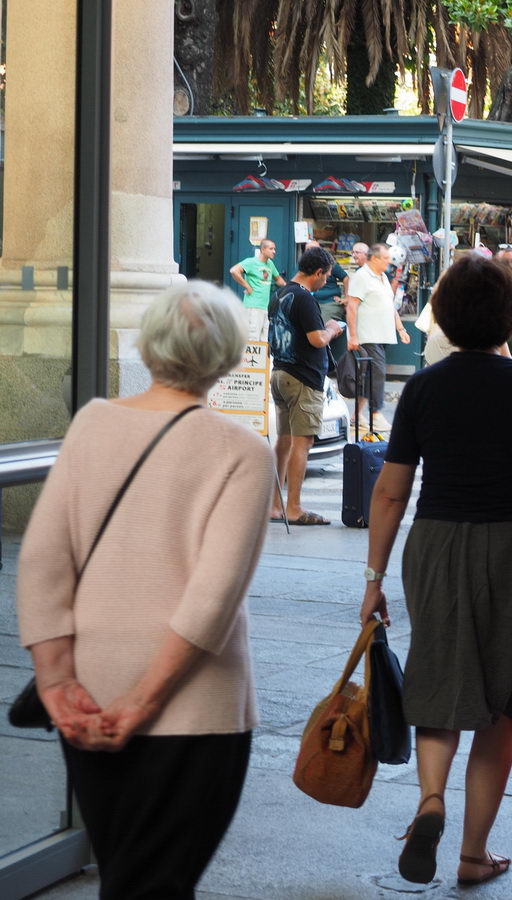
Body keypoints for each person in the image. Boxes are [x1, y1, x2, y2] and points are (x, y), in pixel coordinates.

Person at [16, 281, 273, 899]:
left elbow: (43, 560)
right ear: (228, 355)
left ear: (151, 343)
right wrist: (142, 704)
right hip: (194, 705)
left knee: (125, 873)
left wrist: (54, 684)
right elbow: (212, 598)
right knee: (156, 883)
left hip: (88, 694)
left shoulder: (93, 423)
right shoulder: (243, 451)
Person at [358, 254, 512, 888]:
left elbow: (389, 491)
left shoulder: (425, 386)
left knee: (440, 681)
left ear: (442, 316)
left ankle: (430, 800)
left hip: (434, 544)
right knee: (499, 707)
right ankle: (471, 855)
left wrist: (373, 579)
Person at [268, 246, 345, 525]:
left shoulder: (280, 293)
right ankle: (295, 507)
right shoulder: (304, 298)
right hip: (302, 377)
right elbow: (317, 339)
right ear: (318, 272)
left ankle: (275, 506)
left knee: (284, 441)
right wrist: (334, 329)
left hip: (280, 372)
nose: (326, 281)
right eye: (326, 276)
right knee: (303, 442)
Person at [345, 243, 412, 433]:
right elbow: (352, 306)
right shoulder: (361, 277)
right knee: (378, 373)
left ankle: (356, 416)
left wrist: (400, 329)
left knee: (370, 376)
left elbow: (389, 306)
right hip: (368, 335)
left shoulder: (382, 277)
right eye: (385, 258)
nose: (389, 262)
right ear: (374, 259)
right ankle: (375, 413)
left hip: (383, 334)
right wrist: (353, 336)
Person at [229, 238, 286, 341]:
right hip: (253, 306)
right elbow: (234, 271)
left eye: (274, 249)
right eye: (271, 249)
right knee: (252, 339)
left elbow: (278, 279)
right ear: (263, 250)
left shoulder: (270, 264)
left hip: (265, 307)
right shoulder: (251, 262)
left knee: (264, 340)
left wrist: (290, 287)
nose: (274, 251)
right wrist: (246, 286)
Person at [306, 240, 350, 359]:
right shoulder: (304, 266)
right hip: (311, 302)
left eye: (314, 249)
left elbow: (345, 277)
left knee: (321, 329)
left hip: (329, 303)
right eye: (308, 249)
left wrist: (346, 297)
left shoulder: (329, 263)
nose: (310, 252)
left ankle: (320, 360)